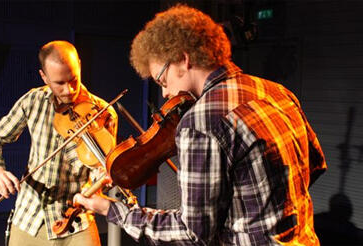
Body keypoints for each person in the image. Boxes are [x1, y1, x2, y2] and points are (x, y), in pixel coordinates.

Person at [74, 5, 327, 245]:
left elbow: (193, 233)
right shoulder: (277, 91)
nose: (164, 93)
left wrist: (113, 210)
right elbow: (314, 167)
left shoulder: (200, 121)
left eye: (161, 80)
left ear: (183, 60)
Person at [0, 40, 117, 246]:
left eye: (73, 80)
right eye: (59, 83)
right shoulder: (33, 101)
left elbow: (101, 168)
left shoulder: (103, 112)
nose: (69, 90)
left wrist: (101, 180)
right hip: (30, 217)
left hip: (76, 219)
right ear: (44, 76)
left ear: (79, 66)